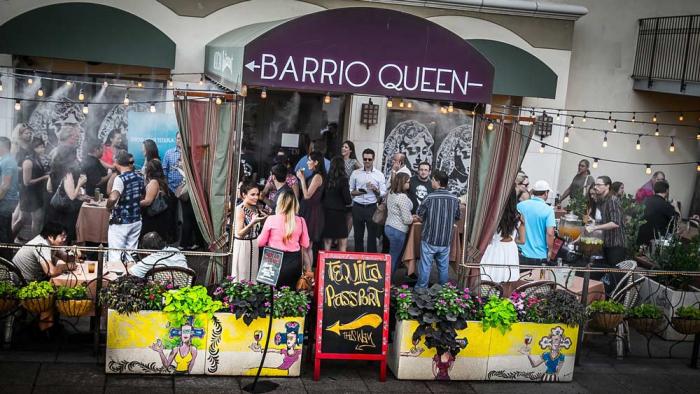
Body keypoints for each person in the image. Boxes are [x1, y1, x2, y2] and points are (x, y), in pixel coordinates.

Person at [257, 190, 311, 288]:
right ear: (295, 204)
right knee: (290, 295)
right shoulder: (301, 221)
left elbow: (260, 243)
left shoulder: (271, 219)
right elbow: (306, 244)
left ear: (280, 203)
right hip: (294, 262)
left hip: (273, 261)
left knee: (271, 294)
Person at [415, 170, 460, 288]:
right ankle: (443, 292)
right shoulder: (454, 199)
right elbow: (457, 216)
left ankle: (421, 290)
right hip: (445, 240)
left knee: (425, 266)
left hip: (430, 238)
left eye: (433, 179)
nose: (431, 181)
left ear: (438, 182)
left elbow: (419, 213)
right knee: (443, 267)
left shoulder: (430, 197)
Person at [163, 132, 201, 249]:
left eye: (181, 138)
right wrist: (166, 186)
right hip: (172, 188)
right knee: (171, 215)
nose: (179, 140)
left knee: (189, 215)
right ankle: (172, 239)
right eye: (178, 138)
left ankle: (190, 242)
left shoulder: (190, 154)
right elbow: (165, 170)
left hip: (187, 190)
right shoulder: (169, 153)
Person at [480, 189, 526, 283]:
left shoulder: (493, 214)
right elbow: (522, 240)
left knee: (489, 278)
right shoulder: (519, 216)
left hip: (494, 248)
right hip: (510, 250)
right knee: (509, 279)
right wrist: (512, 240)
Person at [106, 151, 145, 263]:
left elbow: (113, 198)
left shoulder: (120, 179)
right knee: (131, 254)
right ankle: (130, 279)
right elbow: (142, 195)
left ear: (117, 162)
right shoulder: (139, 176)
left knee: (115, 254)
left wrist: (108, 207)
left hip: (121, 222)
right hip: (136, 220)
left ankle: (116, 278)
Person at [349, 148, 386, 253]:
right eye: (365, 159)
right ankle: (358, 259)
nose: (367, 161)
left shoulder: (379, 174)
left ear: (373, 159)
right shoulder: (355, 173)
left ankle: (371, 260)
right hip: (358, 206)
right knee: (358, 235)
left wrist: (375, 190)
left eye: (369, 159)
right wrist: (362, 191)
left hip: (372, 207)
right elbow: (350, 190)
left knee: (372, 236)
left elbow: (383, 193)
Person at [46, 145, 86, 242]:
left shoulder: (54, 171)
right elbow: (72, 196)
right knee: (65, 237)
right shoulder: (68, 174)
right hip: (66, 212)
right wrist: (80, 183)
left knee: (55, 238)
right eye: (75, 156)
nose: (77, 159)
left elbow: (49, 189)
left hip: (56, 210)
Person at [586, 176, 626, 268]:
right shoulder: (602, 201)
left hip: (616, 245)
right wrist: (594, 223)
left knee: (614, 276)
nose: (596, 187)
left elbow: (615, 223)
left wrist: (595, 227)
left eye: (599, 185)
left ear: (608, 186)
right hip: (606, 244)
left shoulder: (612, 200)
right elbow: (605, 222)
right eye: (595, 184)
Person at [232, 183, 267, 282]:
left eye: (257, 194)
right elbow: (239, 233)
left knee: (252, 274)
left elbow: (259, 225)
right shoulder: (240, 209)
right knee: (242, 274)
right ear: (244, 195)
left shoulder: (255, 208)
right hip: (243, 245)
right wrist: (252, 223)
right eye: (252, 194)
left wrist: (264, 218)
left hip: (253, 243)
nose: (256, 197)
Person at [517, 180, 556, 265]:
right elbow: (550, 233)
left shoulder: (520, 205)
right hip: (539, 255)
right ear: (546, 193)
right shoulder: (549, 210)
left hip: (520, 253)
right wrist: (550, 250)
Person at [18, 137, 50, 239]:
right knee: (27, 219)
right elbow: (26, 182)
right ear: (33, 148)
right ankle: (30, 241)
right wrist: (44, 177)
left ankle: (34, 240)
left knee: (36, 219)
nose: (42, 149)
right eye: (39, 147)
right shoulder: (28, 161)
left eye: (42, 146)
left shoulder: (38, 159)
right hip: (29, 194)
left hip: (37, 193)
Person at [140, 159, 176, 243]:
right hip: (162, 216)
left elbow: (148, 201)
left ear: (149, 171)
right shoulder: (163, 181)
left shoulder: (153, 182)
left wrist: (134, 203)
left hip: (154, 218)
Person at [384, 172, 414, 273]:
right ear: (402, 183)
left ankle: (388, 281)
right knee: (394, 258)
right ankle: (388, 282)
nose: (409, 184)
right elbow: (407, 220)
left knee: (393, 255)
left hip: (389, 227)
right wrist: (413, 217)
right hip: (398, 230)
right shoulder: (402, 197)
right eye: (408, 182)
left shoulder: (391, 193)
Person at [637, 180, 680, 246]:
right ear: (667, 191)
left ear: (654, 191)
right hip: (655, 241)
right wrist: (676, 207)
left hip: (641, 239)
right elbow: (677, 222)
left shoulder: (645, 200)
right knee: (676, 243)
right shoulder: (666, 205)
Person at [322, 156, 352, 251]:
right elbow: (348, 200)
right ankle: (341, 264)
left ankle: (326, 263)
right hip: (339, 213)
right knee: (342, 241)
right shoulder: (344, 180)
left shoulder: (326, 179)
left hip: (327, 212)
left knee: (327, 241)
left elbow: (322, 195)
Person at [297, 151, 326, 249]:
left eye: (309, 160)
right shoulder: (314, 175)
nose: (307, 162)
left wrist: (301, 179)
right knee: (307, 246)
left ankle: (307, 265)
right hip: (308, 210)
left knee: (306, 246)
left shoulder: (317, 177)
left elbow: (307, 195)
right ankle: (307, 265)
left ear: (316, 162)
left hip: (312, 213)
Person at [0, 137, 20, 256]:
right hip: (8, 200)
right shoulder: (7, 160)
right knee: (5, 229)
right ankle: (6, 256)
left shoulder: (7, 161)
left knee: (3, 231)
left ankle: (4, 258)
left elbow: (5, 185)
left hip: (5, 201)